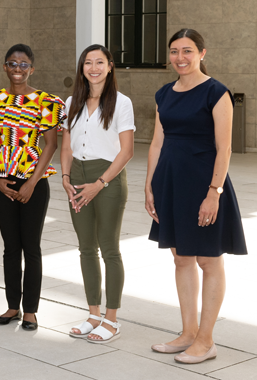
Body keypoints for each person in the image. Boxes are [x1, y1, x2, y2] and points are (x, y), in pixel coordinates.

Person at [146, 28, 248, 364]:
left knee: (208, 259)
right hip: (171, 183)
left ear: (202, 53)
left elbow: (225, 147)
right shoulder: (164, 93)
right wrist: (150, 186)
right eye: (174, 51)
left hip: (204, 184)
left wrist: (214, 192)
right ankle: (188, 333)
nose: (180, 58)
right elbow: (158, 143)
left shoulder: (216, 93)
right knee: (181, 259)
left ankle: (206, 341)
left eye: (187, 51)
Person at [0, 44, 66, 331]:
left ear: (32, 68)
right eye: (12, 63)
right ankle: (13, 306)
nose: (17, 69)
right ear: (4, 67)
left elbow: (51, 144)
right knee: (10, 247)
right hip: (2, 180)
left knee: (32, 247)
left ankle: (31, 311)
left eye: (23, 64)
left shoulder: (46, 101)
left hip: (34, 182)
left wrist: (32, 183)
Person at [60, 44, 135, 343]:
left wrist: (100, 183)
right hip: (77, 176)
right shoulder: (71, 101)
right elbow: (66, 145)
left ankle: (112, 319)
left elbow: (127, 151)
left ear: (110, 66)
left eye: (99, 62)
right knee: (85, 248)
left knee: (109, 249)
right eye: (88, 62)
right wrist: (65, 176)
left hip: (108, 180)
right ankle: (93, 314)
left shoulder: (122, 103)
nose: (93, 67)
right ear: (82, 68)